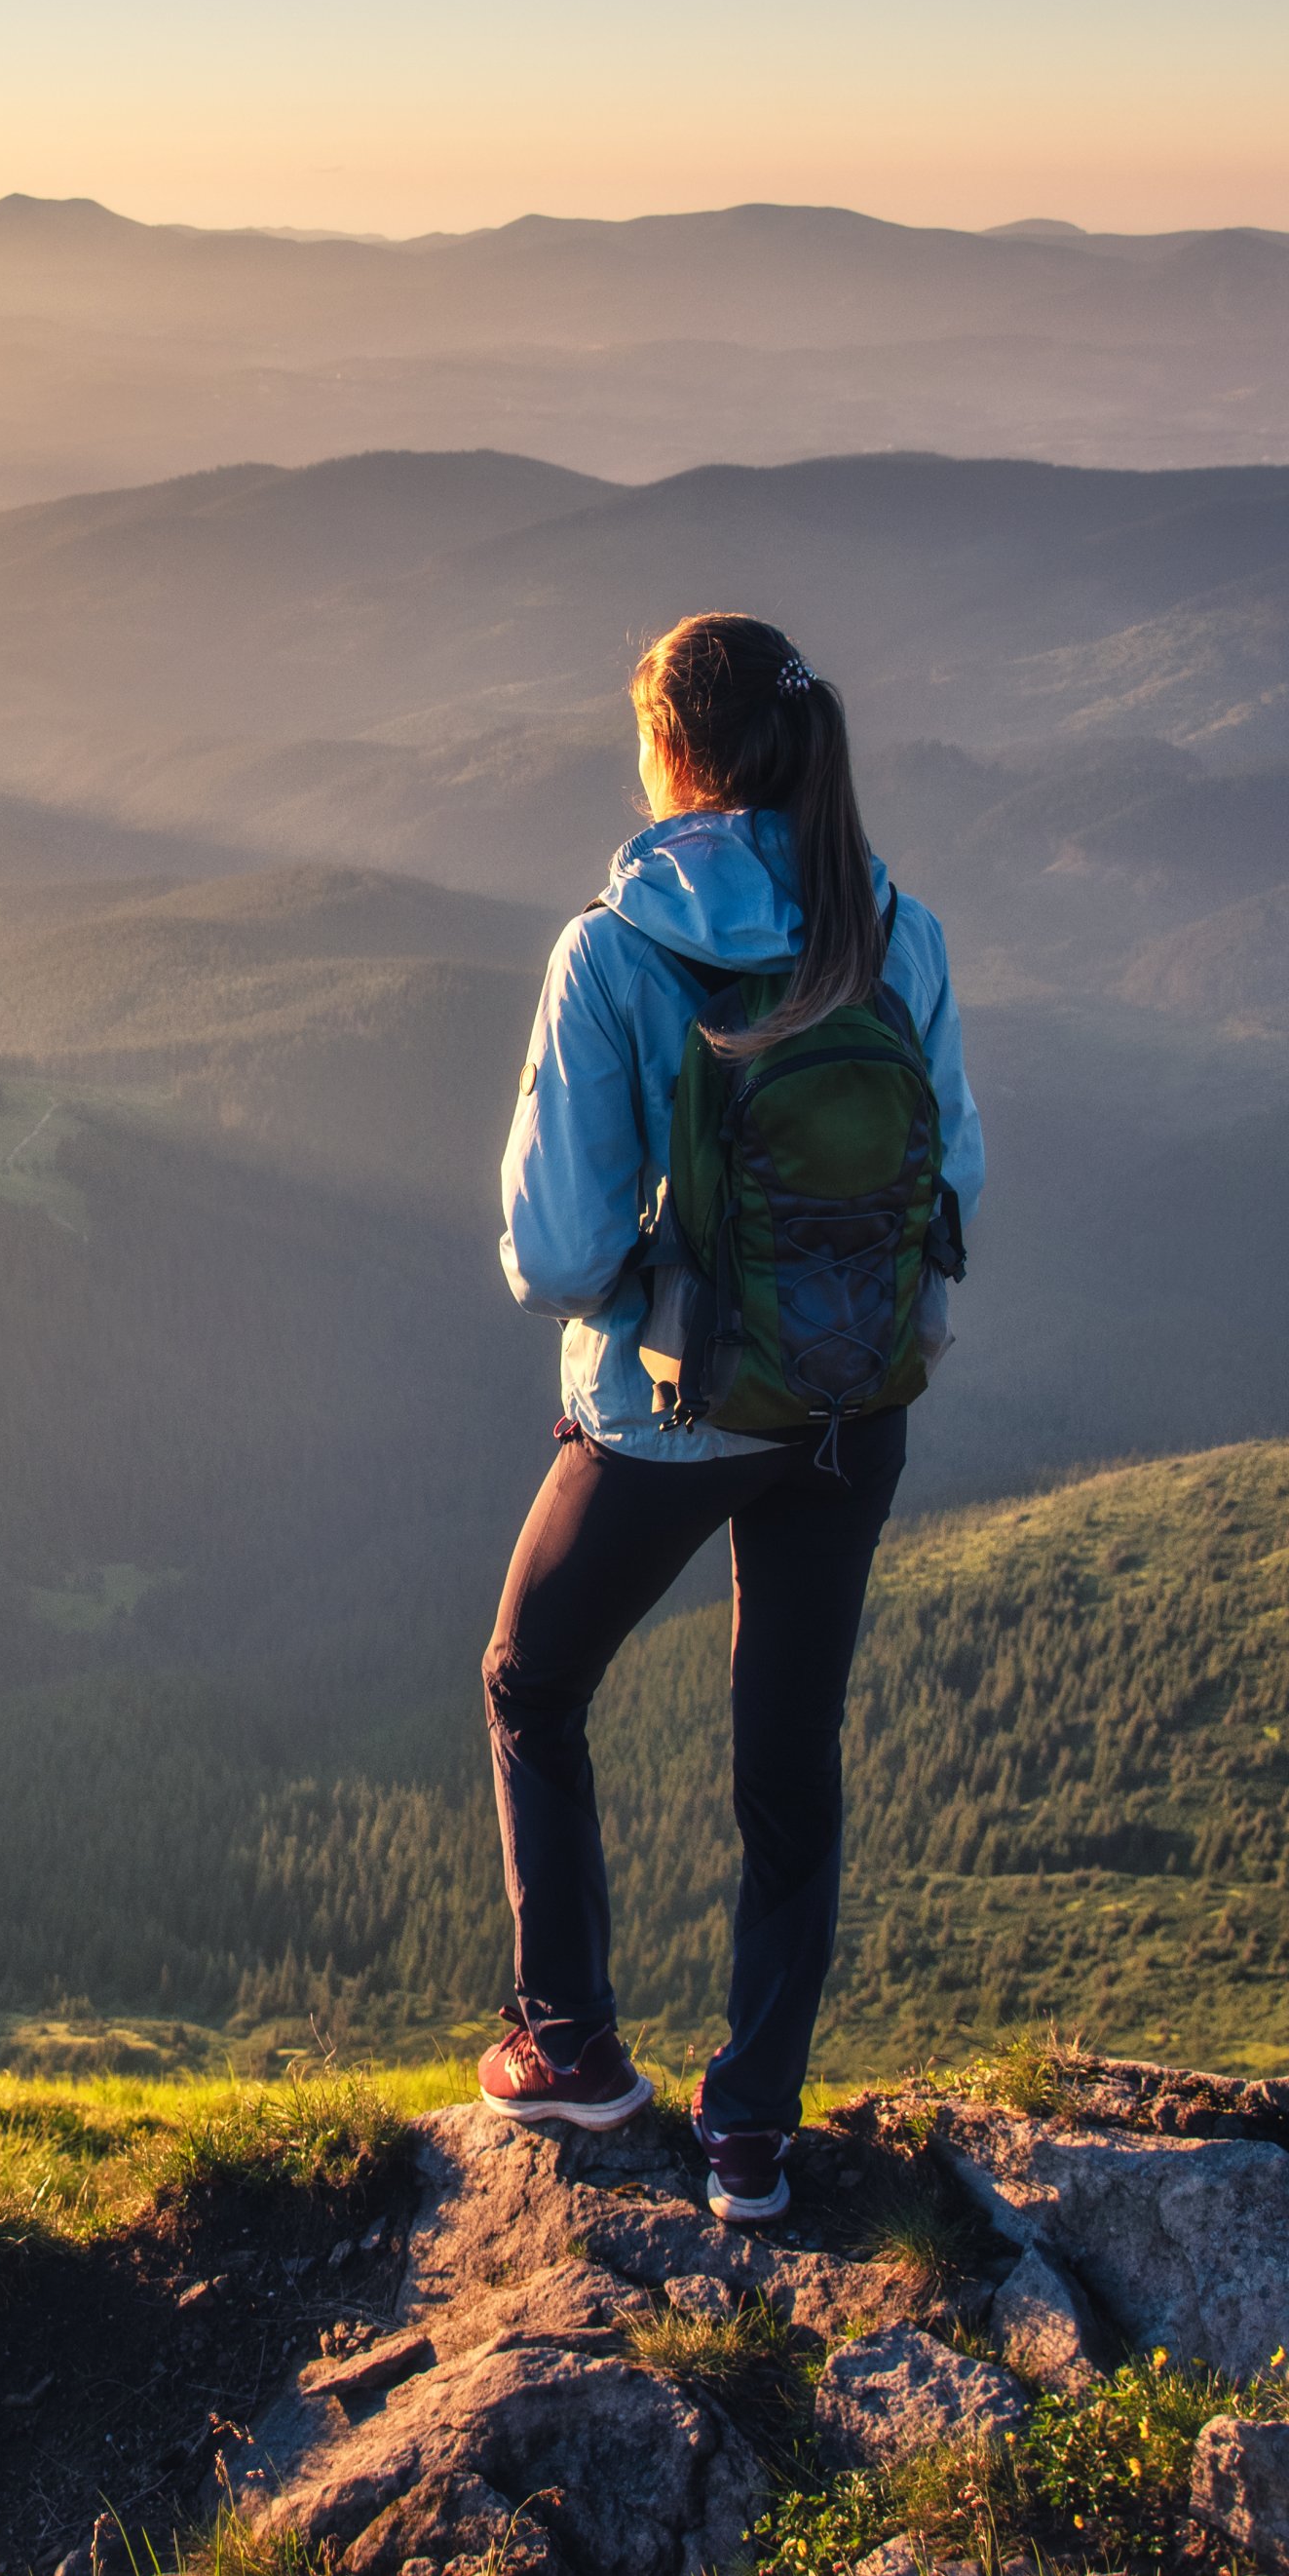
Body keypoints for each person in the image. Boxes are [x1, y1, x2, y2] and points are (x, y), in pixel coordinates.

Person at [478, 610, 982, 2222]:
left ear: (672, 754)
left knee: (532, 1679)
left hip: (672, 1408)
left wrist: (650, 1280)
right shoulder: (896, 928)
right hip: (853, 1403)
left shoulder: (616, 950)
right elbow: (950, 1176)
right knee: (790, 1758)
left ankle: (572, 2047)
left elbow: (556, 1248)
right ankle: (751, 2128)